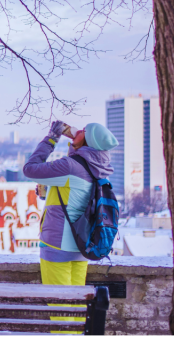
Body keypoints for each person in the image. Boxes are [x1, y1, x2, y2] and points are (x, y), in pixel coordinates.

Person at [23, 120, 117, 291]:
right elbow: (76, 196)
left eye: (83, 131)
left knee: (60, 308)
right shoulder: (99, 169)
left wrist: (51, 139)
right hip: (82, 245)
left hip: (57, 244)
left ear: (87, 141)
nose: (77, 130)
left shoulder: (70, 166)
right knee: (77, 304)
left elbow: (30, 169)